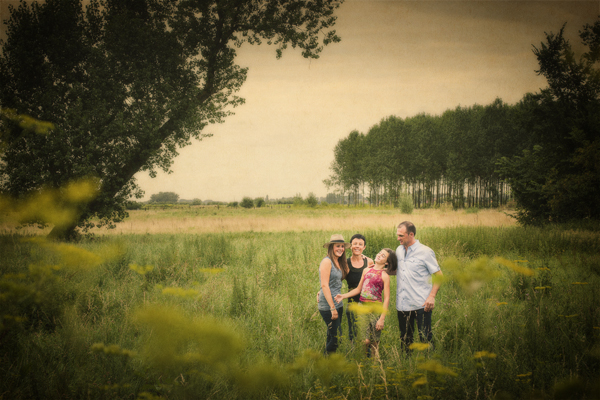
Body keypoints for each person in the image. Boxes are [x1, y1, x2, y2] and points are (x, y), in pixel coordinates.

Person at [335, 248, 398, 358]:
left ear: (387, 262)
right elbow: (358, 289)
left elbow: (387, 298)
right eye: (379, 253)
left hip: (375, 309)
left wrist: (382, 318)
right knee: (365, 340)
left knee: (374, 340)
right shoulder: (366, 270)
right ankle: (364, 361)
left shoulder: (384, 276)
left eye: (383, 256)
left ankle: (374, 364)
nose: (379, 255)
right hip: (362, 307)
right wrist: (343, 296)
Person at [394, 221, 443, 352]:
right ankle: (406, 366)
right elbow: (397, 270)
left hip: (421, 305)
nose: (398, 238)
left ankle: (429, 367)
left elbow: (439, 276)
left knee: (425, 338)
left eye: (401, 236)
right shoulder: (398, 250)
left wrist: (432, 297)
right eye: (397, 235)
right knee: (405, 339)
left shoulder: (425, 252)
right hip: (402, 304)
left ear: (411, 234)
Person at [317, 234, 350, 354]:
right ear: (331, 247)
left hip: (338, 303)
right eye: (337, 246)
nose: (340, 248)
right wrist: (332, 308)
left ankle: (329, 366)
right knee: (337, 338)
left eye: (342, 246)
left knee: (331, 336)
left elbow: (333, 282)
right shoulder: (327, 261)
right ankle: (324, 362)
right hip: (328, 305)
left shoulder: (339, 262)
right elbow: (325, 285)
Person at [345, 234, 373, 343]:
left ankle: (368, 356)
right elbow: (336, 279)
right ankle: (353, 354)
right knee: (353, 333)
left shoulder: (369, 262)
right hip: (352, 303)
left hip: (367, 302)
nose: (357, 246)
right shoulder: (345, 263)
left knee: (367, 334)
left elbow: (375, 280)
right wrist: (322, 290)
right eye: (355, 244)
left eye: (360, 244)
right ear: (350, 246)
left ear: (364, 247)